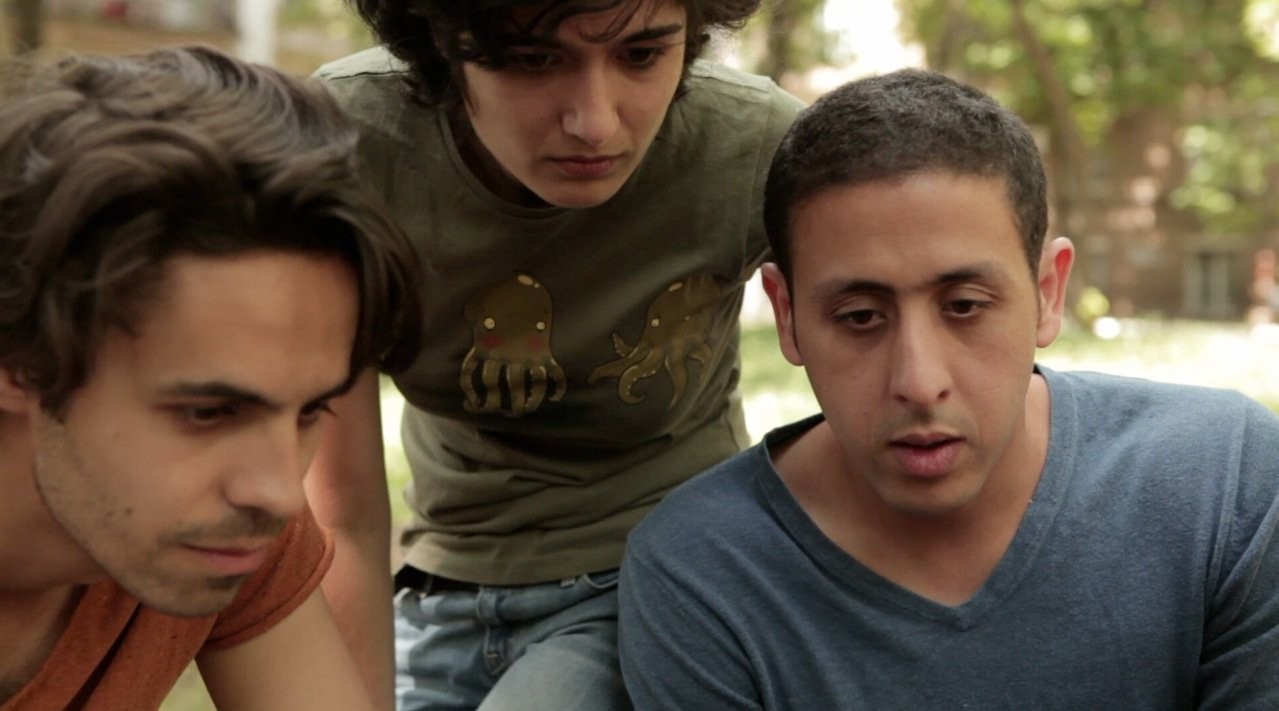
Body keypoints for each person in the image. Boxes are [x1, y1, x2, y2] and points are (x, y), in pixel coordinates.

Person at [618, 69, 1279, 709]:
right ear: (786, 317)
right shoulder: (703, 574)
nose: (918, 382)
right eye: (859, 317)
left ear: (1048, 293)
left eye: (964, 306)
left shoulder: (1223, 488)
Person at [311, 0, 804, 707]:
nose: (594, 122)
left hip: (654, 570)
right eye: (533, 60)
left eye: (641, 55)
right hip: (438, 585)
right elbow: (342, 516)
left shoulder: (749, 146)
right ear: (443, 44)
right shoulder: (351, 148)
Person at [0, 45, 421, 709]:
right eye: (206, 412)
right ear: (17, 360)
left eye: (309, 410)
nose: (280, 493)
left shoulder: (225, 529)